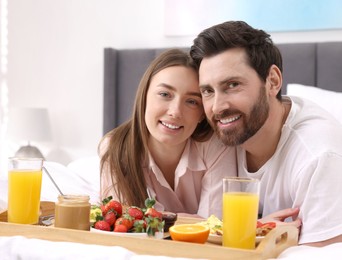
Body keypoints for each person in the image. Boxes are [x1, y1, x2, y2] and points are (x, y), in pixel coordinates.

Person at [190, 21, 342, 246]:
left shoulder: (319, 155)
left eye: (232, 85)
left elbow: (323, 253)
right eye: (208, 91)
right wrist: (259, 231)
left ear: (273, 81)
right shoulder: (216, 134)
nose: (217, 107)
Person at [99, 49, 236, 218]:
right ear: (144, 97)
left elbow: (215, 224)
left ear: (202, 112)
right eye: (165, 94)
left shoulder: (217, 145)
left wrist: (152, 218)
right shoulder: (116, 147)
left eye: (192, 101)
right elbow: (124, 224)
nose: (175, 112)